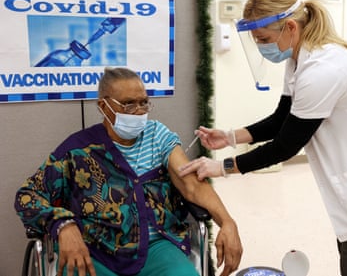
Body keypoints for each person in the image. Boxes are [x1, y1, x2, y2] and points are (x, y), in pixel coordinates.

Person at [178, 0, 347, 276]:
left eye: (263, 39)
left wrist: (221, 167)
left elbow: (285, 145)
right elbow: (281, 119)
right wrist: (231, 136)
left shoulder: (324, 70)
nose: (261, 46)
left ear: (290, 27)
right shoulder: (299, 57)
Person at [15, 67, 242, 276]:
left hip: (156, 246)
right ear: (104, 106)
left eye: (144, 102)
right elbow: (28, 195)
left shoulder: (156, 135)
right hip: (94, 248)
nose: (139, 111)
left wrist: (227, 222)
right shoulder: (77, 150)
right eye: (128, 104)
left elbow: (191, 185)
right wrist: (64, 226)